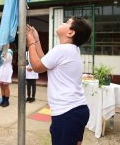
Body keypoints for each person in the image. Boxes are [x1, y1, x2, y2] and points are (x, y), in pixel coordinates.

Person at [26, 17, 92, 145]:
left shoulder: (61, 50)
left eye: (66, 22)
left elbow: (37, 67)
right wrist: (37, 39)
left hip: (67, 113)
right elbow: (45, 60)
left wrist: (31, 43)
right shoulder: (71, 49)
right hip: (77, 110)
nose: (62, 22)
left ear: (70, 33)